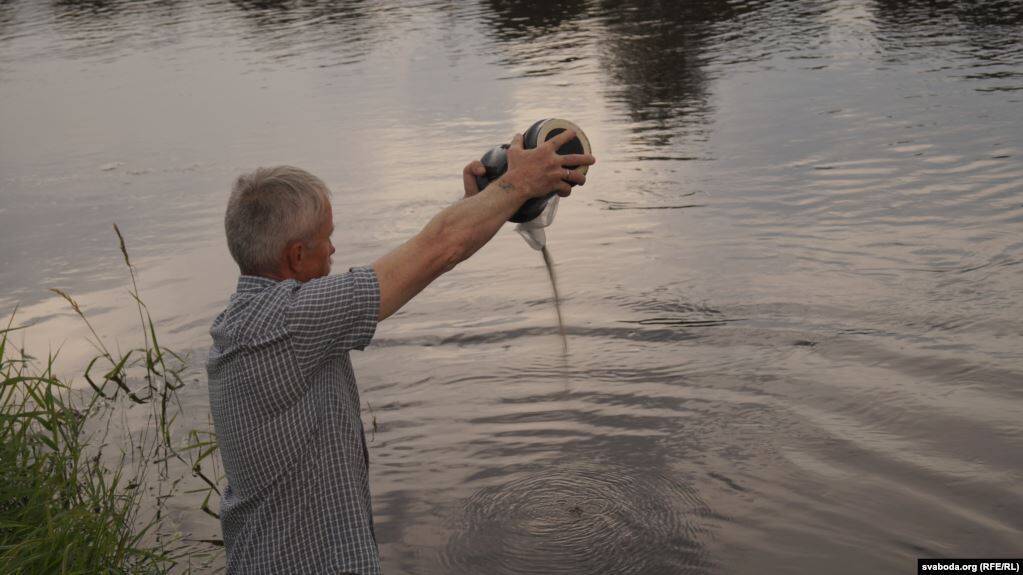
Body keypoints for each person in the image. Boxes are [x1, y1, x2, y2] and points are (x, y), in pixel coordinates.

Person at [206, 130, 596, 574]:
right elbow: (437, 249)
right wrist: (519, 184)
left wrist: (479, 205)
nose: (334, 250)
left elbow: (428, 256)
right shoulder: (292, 323)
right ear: (296, 256)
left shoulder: (254, 320)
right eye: (326, 238)